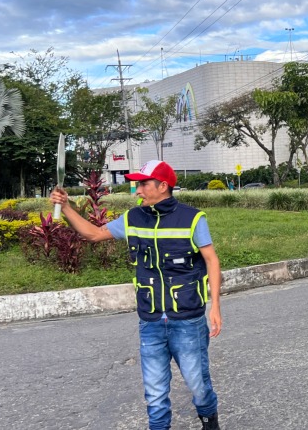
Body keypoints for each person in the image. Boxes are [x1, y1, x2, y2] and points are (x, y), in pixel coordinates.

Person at [49, 160, 222, 430]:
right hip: (150, 320)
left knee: (198, 385)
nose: (137, 189)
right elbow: (94, 234)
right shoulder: (133, 218)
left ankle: (210, 421)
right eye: (137, 183)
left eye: (143, 183)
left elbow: (211, 260)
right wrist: (67, 207)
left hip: (187, 320)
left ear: (163, 186)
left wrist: (215, 306)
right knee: (154, 393)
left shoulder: (193, 218)